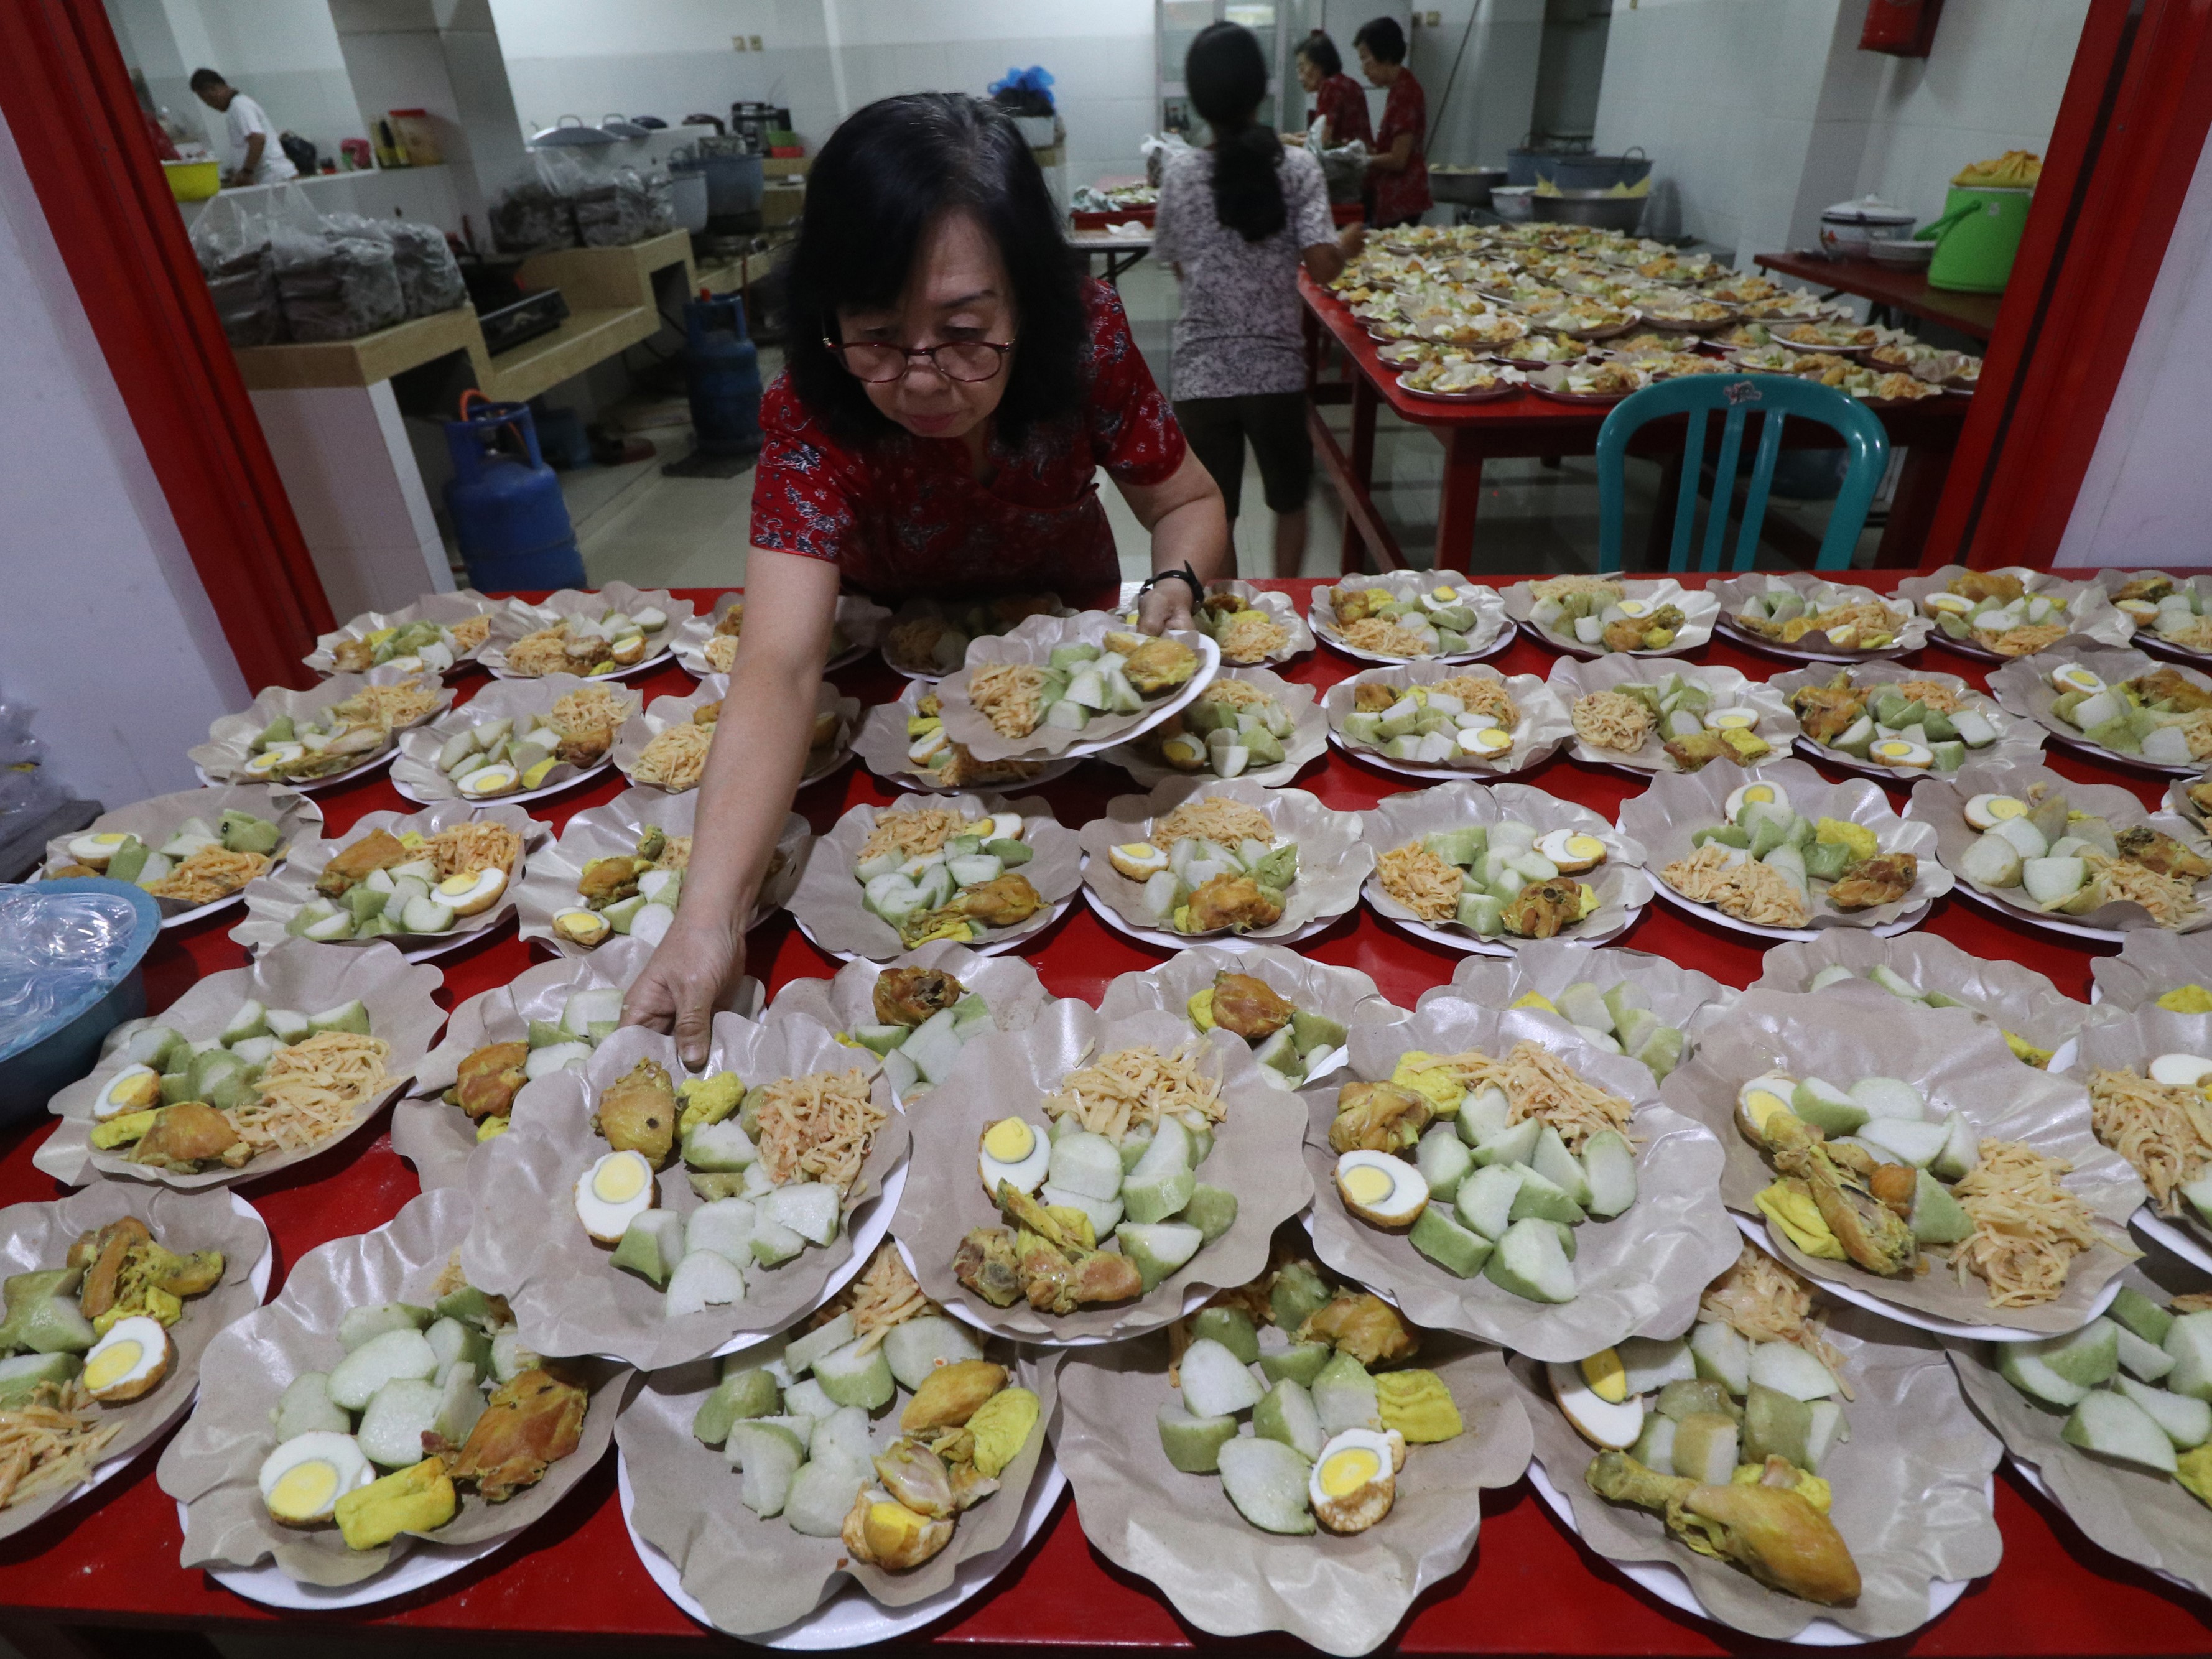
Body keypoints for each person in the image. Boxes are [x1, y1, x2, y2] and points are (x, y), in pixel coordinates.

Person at [621, 94, 1230, 1061]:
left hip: (1074, 705)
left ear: (1027, 298)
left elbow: (1186, 503)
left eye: (963, 332)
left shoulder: (1087, 341)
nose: (919, 377)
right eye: (875, 331)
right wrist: (705, 920)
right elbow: (778, 665)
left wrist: (1181, 585)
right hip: (889, 706)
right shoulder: (809, 413)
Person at [1155, 22, 1362, 580]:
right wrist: (1348, 245)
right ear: (1260, 90)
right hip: (1276, 373)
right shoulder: (1296, 168)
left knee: (1213, 509)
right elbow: (1320, 266)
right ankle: (1287, 604)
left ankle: (1231, 625)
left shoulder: (1180, 174)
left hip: (1201, 376)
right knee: (1290, 501)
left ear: (1197, 97)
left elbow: (1180, 265)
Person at [1353, 17, 1431, 230]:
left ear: (1386, 56)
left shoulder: (1405, 93)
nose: (1363, 69)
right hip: (1396, 196)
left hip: (1402, 198)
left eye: (1366, 59)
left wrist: (1363, 159)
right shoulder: (1398, 88)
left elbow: (1399, 159)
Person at [188, 68, 297, 187]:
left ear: (213, 90)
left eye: (207, 100)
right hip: (270, 178)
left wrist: (246, 172)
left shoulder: (239, 106)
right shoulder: (236, 107)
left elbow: (258, 139)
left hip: (276, 177)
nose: (210, 106)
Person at [1294, 32, 1372, 151]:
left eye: (1302, 66)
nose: (1300, 77)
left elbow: (1321, 143)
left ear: (1319, 65)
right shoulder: (1350, 83)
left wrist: (1288, 141)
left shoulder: (1330, 87)